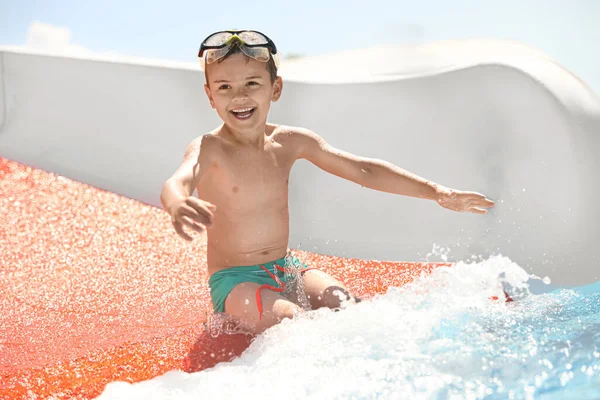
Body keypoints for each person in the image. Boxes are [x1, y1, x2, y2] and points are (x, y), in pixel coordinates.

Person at [160, 30, 495, 334]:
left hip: (287, 268)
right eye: (225, 87)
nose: (239, 97)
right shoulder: (210, 147)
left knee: (356, 312)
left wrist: (436, 192)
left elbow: (362, 170)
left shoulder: (291, 141)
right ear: (209, 95)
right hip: (235, 282)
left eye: (252, 83)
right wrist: (176, 201)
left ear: (275, 88)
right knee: (299, 329)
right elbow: (179, 180)